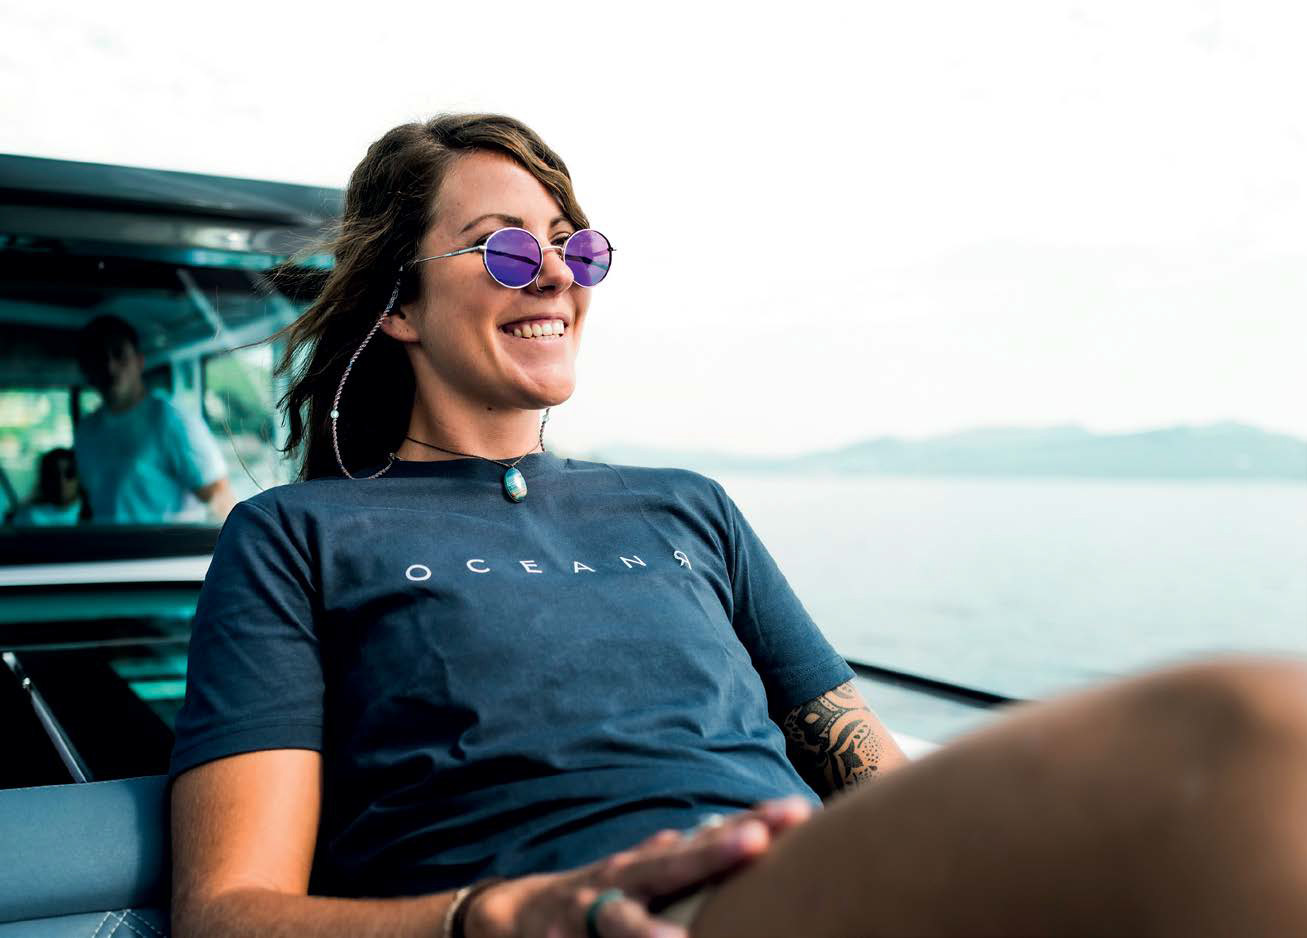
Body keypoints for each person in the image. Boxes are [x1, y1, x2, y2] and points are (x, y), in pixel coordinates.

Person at [168, 114, 1307, 938]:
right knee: (1246, 731)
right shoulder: (295, 536)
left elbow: (866, 771)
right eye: (508, 246)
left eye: (575, 246)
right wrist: (492, 914)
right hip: (635, 910)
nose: (556, 274)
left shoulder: (686, 505)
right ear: (399, 304)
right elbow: (227, 911)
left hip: (809, 885)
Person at [73, 314, 234, 524]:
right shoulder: (86, 431)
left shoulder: (170, 420)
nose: (110, 366)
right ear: (87, 370)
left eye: (119, 354)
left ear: (139, 362)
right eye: (98, 358)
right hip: (106, 545)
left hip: (164, 546)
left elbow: (220, 498)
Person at [8, 447, 83, 525]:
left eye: (69, 474)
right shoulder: (28, 517)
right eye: (54, 475)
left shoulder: (88, 515)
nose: (62, 481)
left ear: (79, 478)